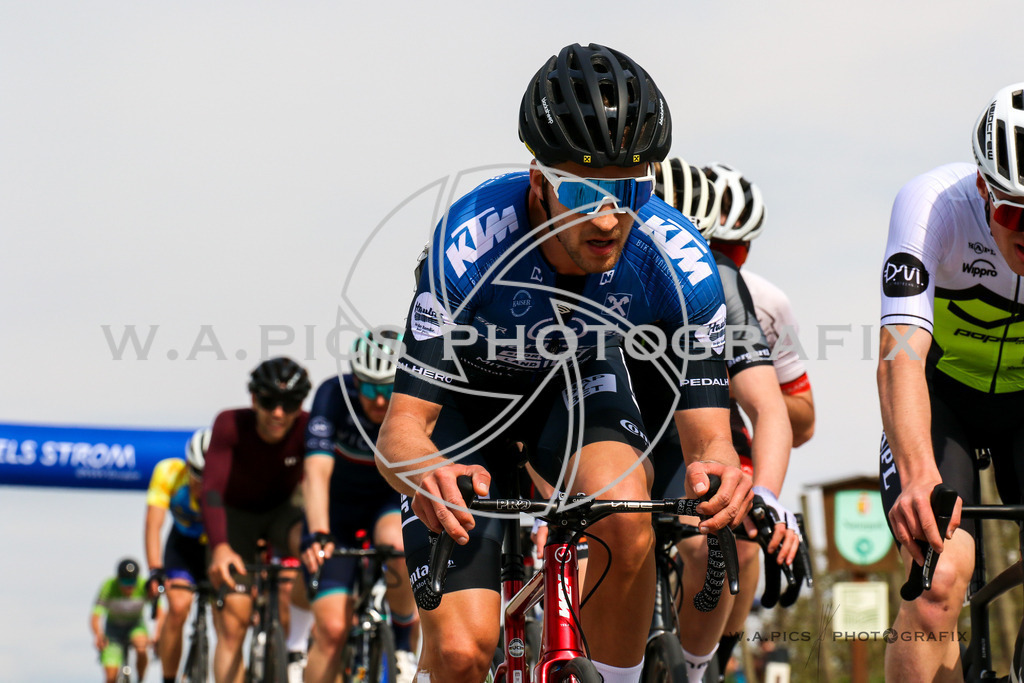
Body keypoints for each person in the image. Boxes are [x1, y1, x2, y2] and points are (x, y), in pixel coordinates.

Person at [375, 43, 753, 683]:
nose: (609, 219)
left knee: (628, 518)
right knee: (463, 655)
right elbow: (399, 434)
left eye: (630, 190)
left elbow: (708, 434)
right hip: (469, 403)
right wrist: (428, 474)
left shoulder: (678, 261)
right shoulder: (470, 244)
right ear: (538, 184)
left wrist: (721, 468)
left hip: (578, 382)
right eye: (581, 192)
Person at [878, 82, 1024, 683]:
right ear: (984, 190)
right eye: (1015, 212)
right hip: (943, 399)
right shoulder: (933, 204)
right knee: (937, 581)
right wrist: (917, 478)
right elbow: (900, 353)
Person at [648, 158, 806, 682]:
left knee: (723, 541)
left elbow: (769, 408)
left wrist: (767, 495)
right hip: (608, 430)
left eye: (698, 248)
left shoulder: (721, 284)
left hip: (684, 439)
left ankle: (698, 670)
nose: (685, 263)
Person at [300, 330, 419, 683]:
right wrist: (319, 533)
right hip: (337, 511)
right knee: (332, 631)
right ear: (355, 381)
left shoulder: (414, 400)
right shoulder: (333, 394)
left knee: (398, 548)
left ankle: (401, 643)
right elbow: (316, 470)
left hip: (387, 501)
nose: (379, 402)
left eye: (387, 389)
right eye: (369, 389)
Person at [202, 356, 312, 683]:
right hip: (235, 518)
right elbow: (211, 491)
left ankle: (299, 640)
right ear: (253, 399)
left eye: (289, 404)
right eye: (269, 402)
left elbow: (321, 483)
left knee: (317, 553)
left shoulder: (309, 425)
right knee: (234, 623)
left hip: (282, 512)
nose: (278, 412)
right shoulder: (228, 423)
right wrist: (221, 547)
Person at [145, 427, 211, 683]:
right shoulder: (169, 472)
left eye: (208, 476)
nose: (201, 482)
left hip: (216, 547)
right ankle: (169, 679)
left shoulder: (232, 478)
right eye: (196, 474)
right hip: (182, 545)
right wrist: (155, 570)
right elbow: (153, 524)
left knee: (228, 617)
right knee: (178, 606)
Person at [91, 557, 156, 683]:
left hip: (135, 625)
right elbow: (95, 616)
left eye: (132, 582)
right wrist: (98, 634)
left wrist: (157, 634)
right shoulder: (108, 586)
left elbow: (160, 610)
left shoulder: (144, 585)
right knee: (111, 677)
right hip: (113, 629)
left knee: (141, 648)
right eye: (125, 582)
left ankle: (141, 680)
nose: (129, 587)